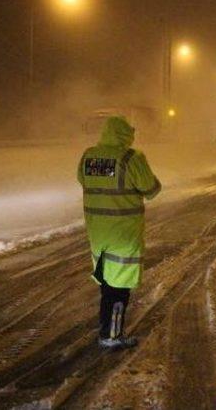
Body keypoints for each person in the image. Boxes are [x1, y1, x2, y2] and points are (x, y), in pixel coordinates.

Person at [77, 116, 161, 349]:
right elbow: (152, 189)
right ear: (125, 134)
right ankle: (111, 335)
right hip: (123, 232)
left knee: (106, 283)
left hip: (98, 231)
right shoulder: (131, 158)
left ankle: (107, 329)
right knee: (120, 288)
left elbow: (82, 180)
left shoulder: (88, 156)